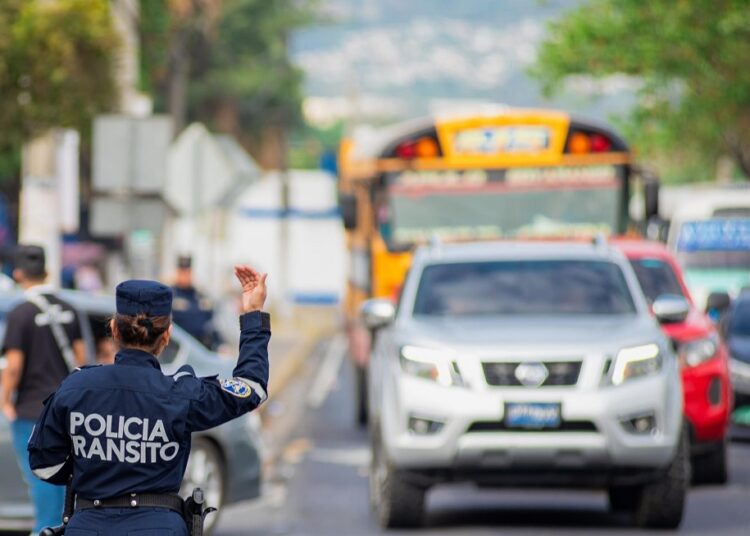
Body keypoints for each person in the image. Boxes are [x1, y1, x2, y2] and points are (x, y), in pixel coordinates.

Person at [27, 265, 270, 535]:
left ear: (114, 330)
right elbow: (251, 388)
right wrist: (252, 315)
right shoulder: (182, 394)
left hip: (88, 526)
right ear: (166, 336)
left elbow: (45, 464)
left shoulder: (75, 387)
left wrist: (93, 470)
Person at [0, 244, 87, 534]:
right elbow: (81, 360)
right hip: (66, 410)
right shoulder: (70, 310)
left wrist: (5, 401)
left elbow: (13, 365)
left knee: (40, 482)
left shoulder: (20, 314)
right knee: (64, 483)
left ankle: (43, 532)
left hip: (30, 411)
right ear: (48, 272)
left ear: (18, 273)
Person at [171, 255, 221, 349]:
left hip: (201, 349)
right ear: (177, 272)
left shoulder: (200, 296)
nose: (185, 276)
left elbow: (211, 324)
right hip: (179, 349)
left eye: (187, 272)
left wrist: (220, 344)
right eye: (182, 272)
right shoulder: (170, 296)